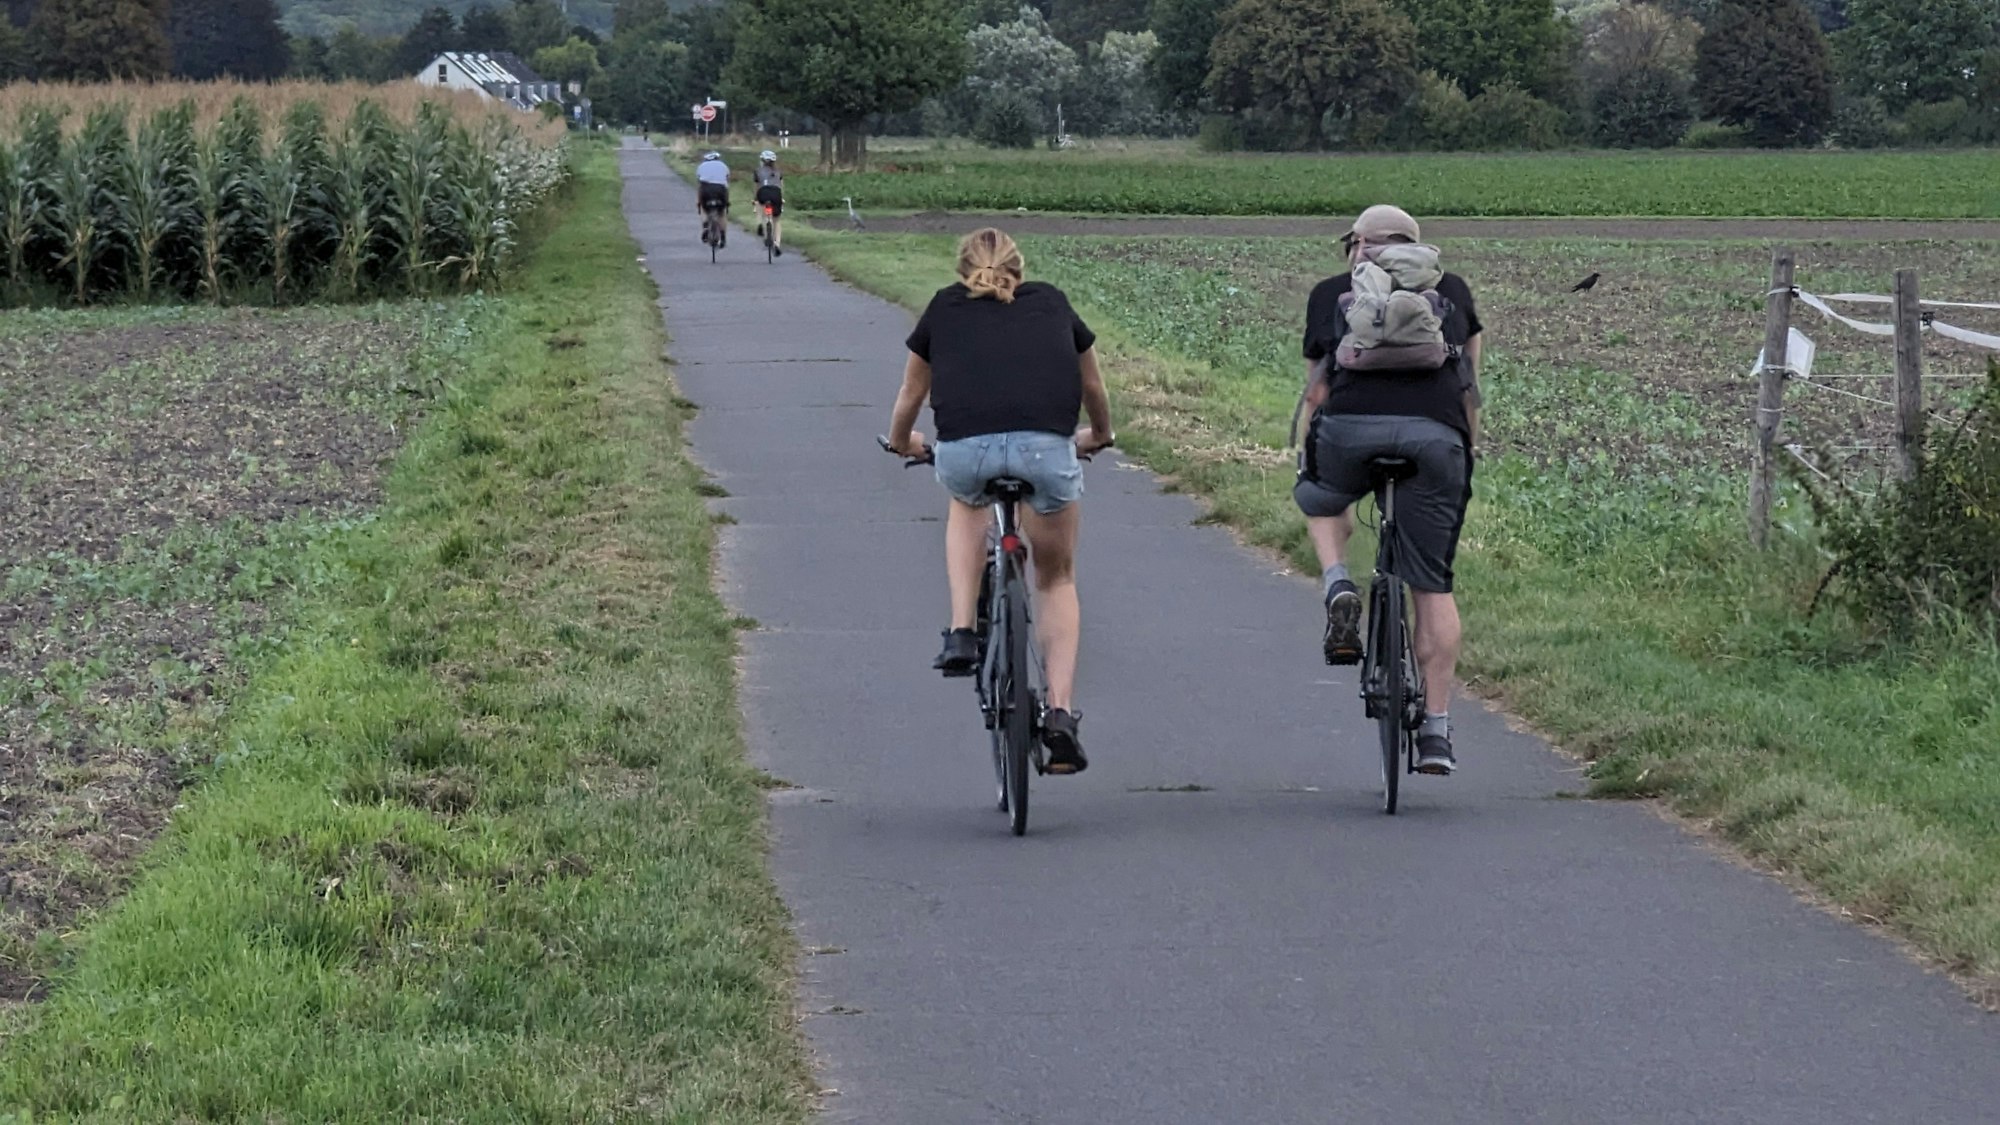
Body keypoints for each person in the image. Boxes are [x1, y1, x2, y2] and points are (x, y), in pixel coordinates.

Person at [886, 228, 1115, 774]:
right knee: (1056, 578)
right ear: (1020, 266)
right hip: (1047, 452)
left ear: (962, 269)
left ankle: (963, 629)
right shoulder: (1053, 301)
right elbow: (1092, 388)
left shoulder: (944, 307)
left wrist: (902, 443)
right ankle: (1059, 714)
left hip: (967, 451)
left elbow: (911, 395)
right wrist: (1100, 434)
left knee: (966, 502)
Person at [1295, 204, 1483, 775]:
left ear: (1358, 244)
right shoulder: (1453, 291)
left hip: (1350, 432)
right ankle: (1436, 733)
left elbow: (1316, 391)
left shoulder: (1332, 291)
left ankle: (1336, 585)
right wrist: (1465, 448)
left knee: (1323, 498)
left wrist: (1306, 451)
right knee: (1432, 587)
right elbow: (1470, 386)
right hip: (1435, 440)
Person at [753, 149, 785, 257]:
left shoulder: (758, 171)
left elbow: (757, 187)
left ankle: (764, 227)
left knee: (763, 211)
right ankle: (777, 244)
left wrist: (755, 199)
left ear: (762, 160)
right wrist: (782, 198)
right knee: (777, 220)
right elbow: (781, 186)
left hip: (763, 192)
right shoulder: (778, 172)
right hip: (776, 194)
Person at [695, 150, 730, 245]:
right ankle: (723, 237)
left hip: (706, 190)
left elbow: (699, 185)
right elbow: (726, 184)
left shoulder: (701, 166)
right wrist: (727, 202)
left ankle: (706, 226)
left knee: (703, 208)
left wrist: (699, 202)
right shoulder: (724, 166)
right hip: (720, 190)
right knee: (722, 213)